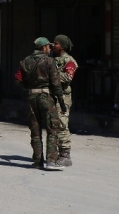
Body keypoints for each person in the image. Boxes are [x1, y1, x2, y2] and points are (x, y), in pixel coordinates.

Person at [15, 37, 67, 171]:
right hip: (46, 97)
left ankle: (37, 161)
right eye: (49, 47)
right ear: (44, 48)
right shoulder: (50, 61)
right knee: (52, 128)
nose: (50, 49)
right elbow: (56, 84)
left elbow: (18, 80)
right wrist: (61, 102)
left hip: (32, 97)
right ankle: (51, 160)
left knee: (35, 130)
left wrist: (29, 87)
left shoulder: (25, 61)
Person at [52, 35, 78, 167]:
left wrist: (52, 76)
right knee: (54, 124)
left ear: (62, 46)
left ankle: (65, 154)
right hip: (54, 96)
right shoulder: (54, 59)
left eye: (56, 43)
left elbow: (68, 77)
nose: (53, 45)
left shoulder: (69, 61)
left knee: (62, 124)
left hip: (63, 97)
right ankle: (55, 153)